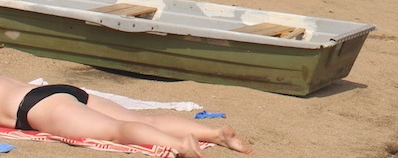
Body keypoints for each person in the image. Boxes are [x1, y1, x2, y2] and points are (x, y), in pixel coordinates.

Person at [0, 76, 251, 158]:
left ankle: (181, 145)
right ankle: (216, 134)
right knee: (143, 119)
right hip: (56, 90)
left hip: (37, 107)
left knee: (116, 130)